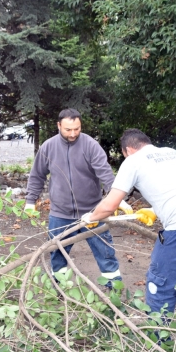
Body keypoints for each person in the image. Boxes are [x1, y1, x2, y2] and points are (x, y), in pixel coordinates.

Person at [82, 129, 176, 332]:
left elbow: (109, 205)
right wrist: (154, 210)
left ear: (128, 150)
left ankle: (158, 346)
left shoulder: (133, 161)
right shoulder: (172, 153)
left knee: (160, 285)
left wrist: (90, 217)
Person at [24, 108, 132, 288]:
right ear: (59, 126)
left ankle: (114, 292)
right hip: (60, 214)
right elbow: (37, 176)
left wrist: (117, 198)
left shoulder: (90, 145)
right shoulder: (48, 147)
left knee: (106, 254)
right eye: (68, 129)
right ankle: (61, 293)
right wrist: (30, 202)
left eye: (77, 129)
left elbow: (104, 173)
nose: (73, 133)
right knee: (57, 255)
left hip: (93, 212)